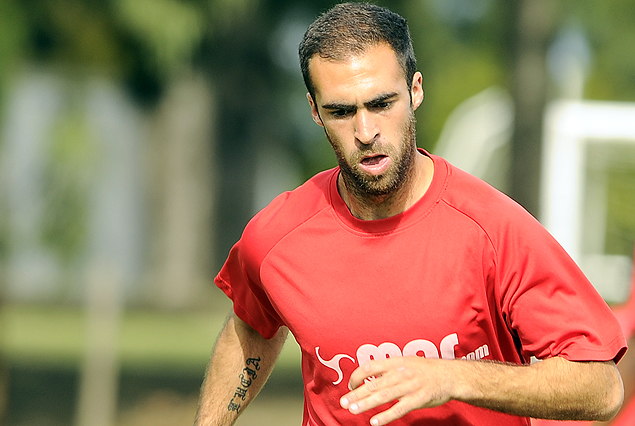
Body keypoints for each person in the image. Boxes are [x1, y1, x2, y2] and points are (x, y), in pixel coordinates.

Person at [194, 3, 627, 426]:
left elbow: (601, 387)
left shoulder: (494, 230)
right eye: (341, 111)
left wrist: (453, 377)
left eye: (382, 103)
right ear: (314, 111)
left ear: (415, 90)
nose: (366, 132)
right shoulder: (277, 236)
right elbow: (252, 327)